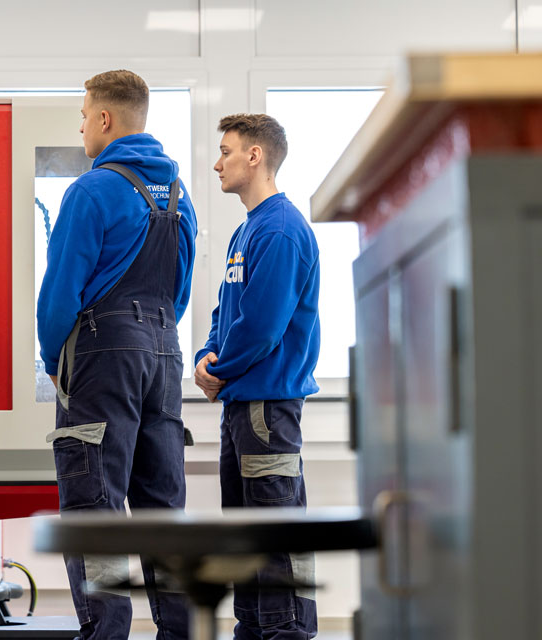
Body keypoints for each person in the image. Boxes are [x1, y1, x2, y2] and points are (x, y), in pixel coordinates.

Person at [37, 70, 197, 640]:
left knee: (95, 507)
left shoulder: (91, 191)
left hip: (104, 359)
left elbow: (60, 293)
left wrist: (53, 355)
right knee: (163, 509)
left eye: (84, 115)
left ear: (105, 119)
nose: (81, 125)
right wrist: (154, 338)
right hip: (164, 354)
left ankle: (105, 634)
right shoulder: (181, 197)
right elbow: (179, 292)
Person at [194, 113, 320, 639]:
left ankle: (285, 631)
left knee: (273, 530)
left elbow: (263, 327)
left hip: (267, 407)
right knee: (246, 533)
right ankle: (254, 629)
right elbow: (228, 314)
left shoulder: (282, 229)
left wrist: (217, 370)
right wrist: (206, 354)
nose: (217, 162)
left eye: (226, 151)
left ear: (255, 156)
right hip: (241, 406)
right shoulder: (247, 231)